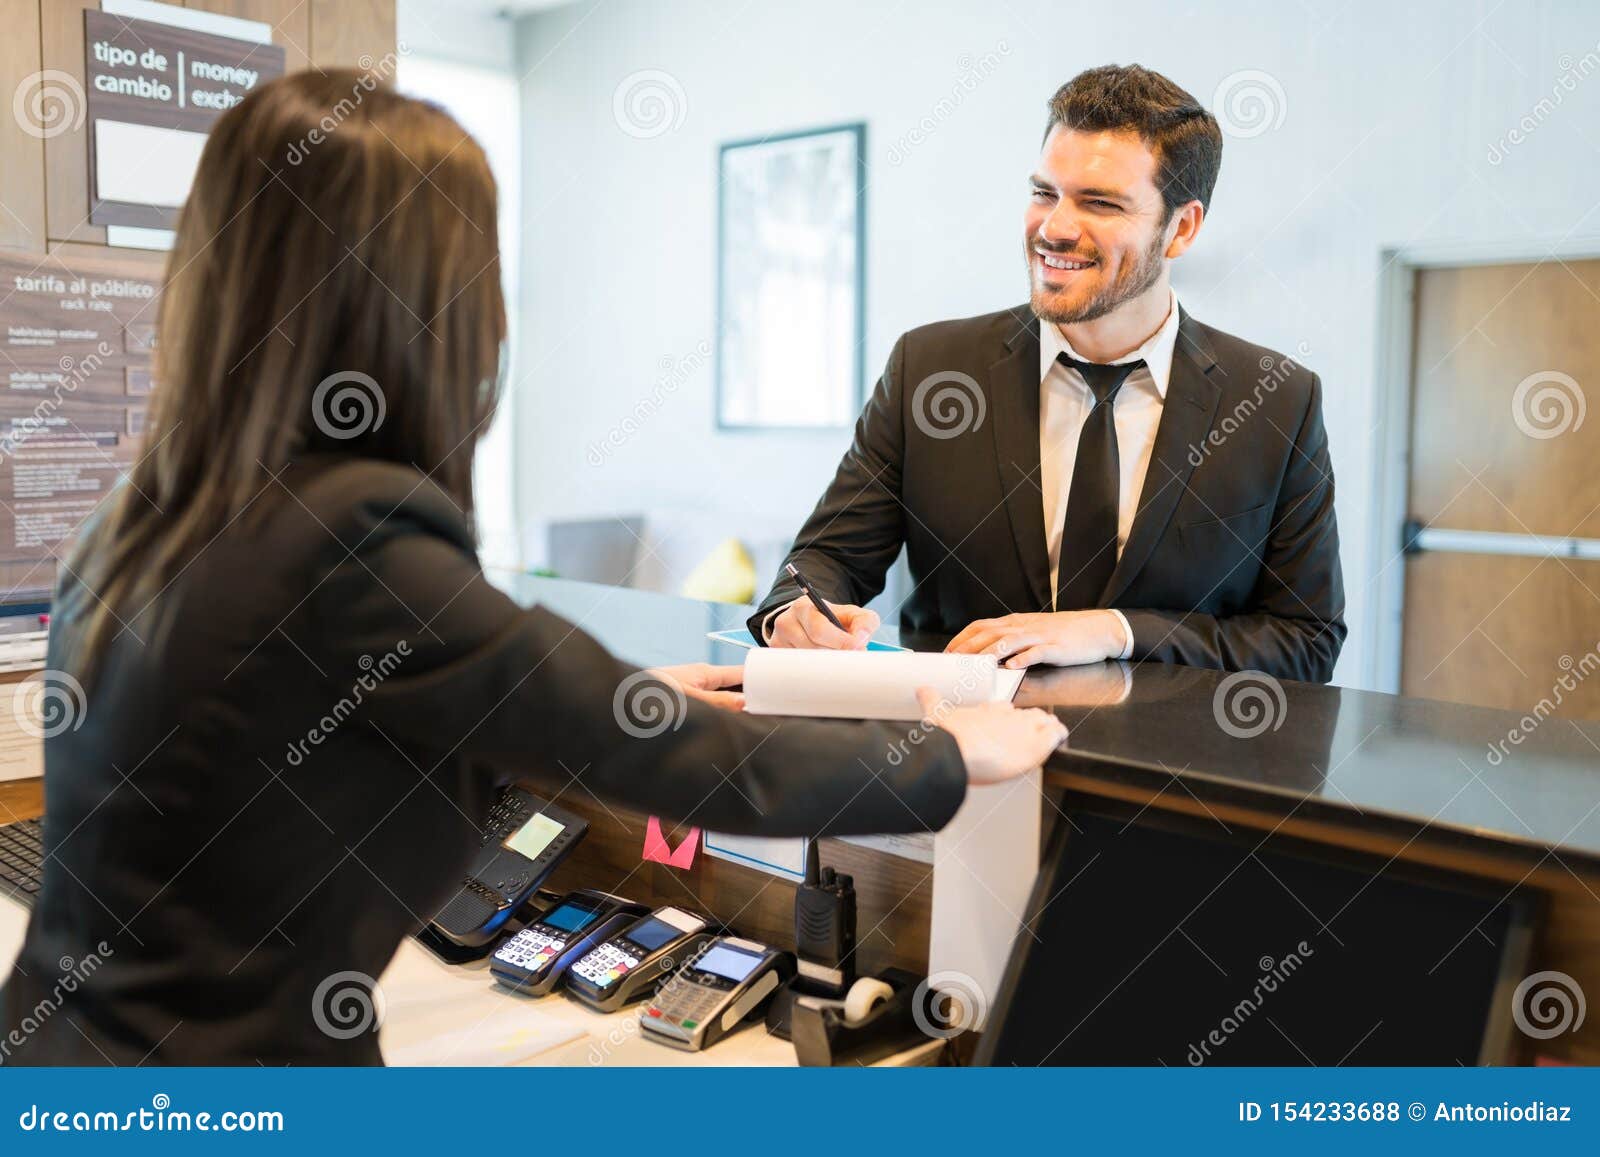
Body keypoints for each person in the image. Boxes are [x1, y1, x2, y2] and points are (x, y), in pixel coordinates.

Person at [0, 72, 1065, 1066]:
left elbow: (361, 714)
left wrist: (616, 696)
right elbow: (704, 766)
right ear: (425, 300)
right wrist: (945, 750)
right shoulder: (348, 542)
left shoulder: (154, 512)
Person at [750, 65, 1345, 684]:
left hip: (1166, 775)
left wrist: (1113, 630)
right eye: (1044, 193)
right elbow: (826, 557)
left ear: (1182, 229)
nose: (1055, 228)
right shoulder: (930, 369)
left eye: (1100, 203)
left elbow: (1306, 640)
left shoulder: (1277, 399)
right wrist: (795, 611)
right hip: (952, 761)